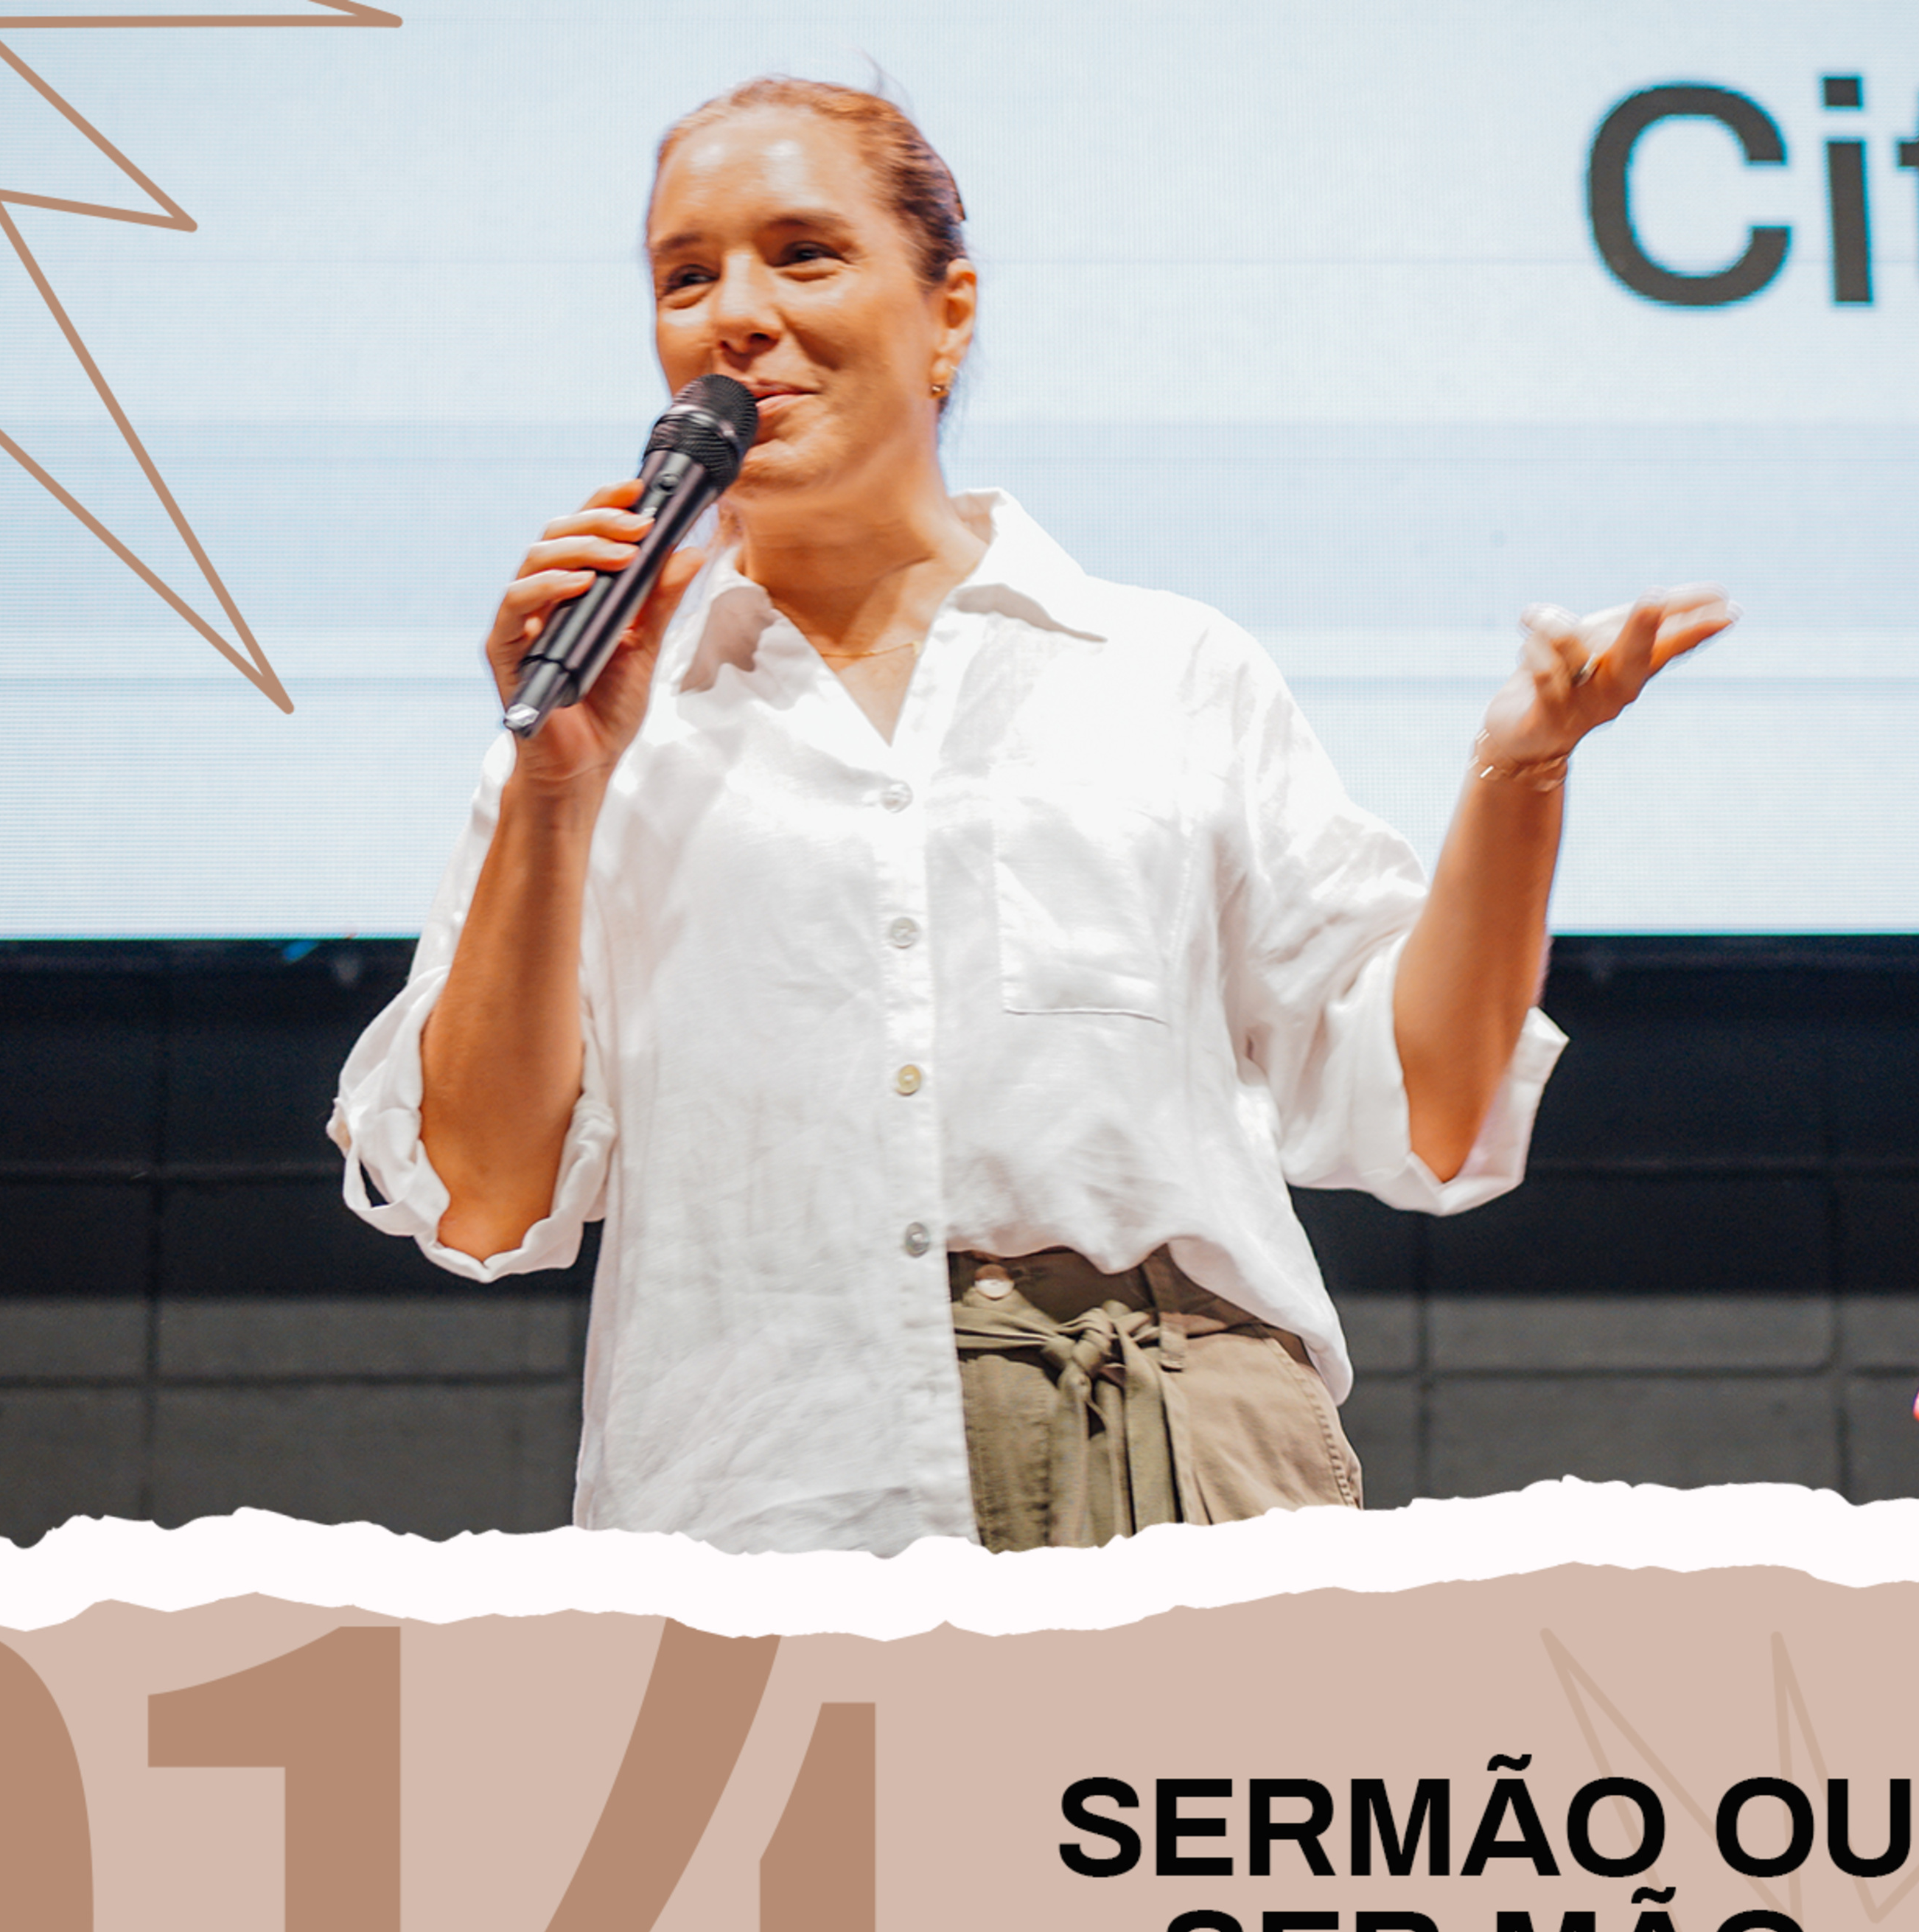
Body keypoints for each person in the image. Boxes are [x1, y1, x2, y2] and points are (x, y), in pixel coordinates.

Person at [330, 77, 1735, 1555]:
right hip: (778, 1507)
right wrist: (556, 787)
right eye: (687, 278)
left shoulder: (1164, 668)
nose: (735, 314)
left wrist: (1523, 774)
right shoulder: (598, 728)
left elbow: (1430, 1110)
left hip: (1176, 1491)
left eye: (803, 254)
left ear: (948, 315)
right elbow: (481, 1199)